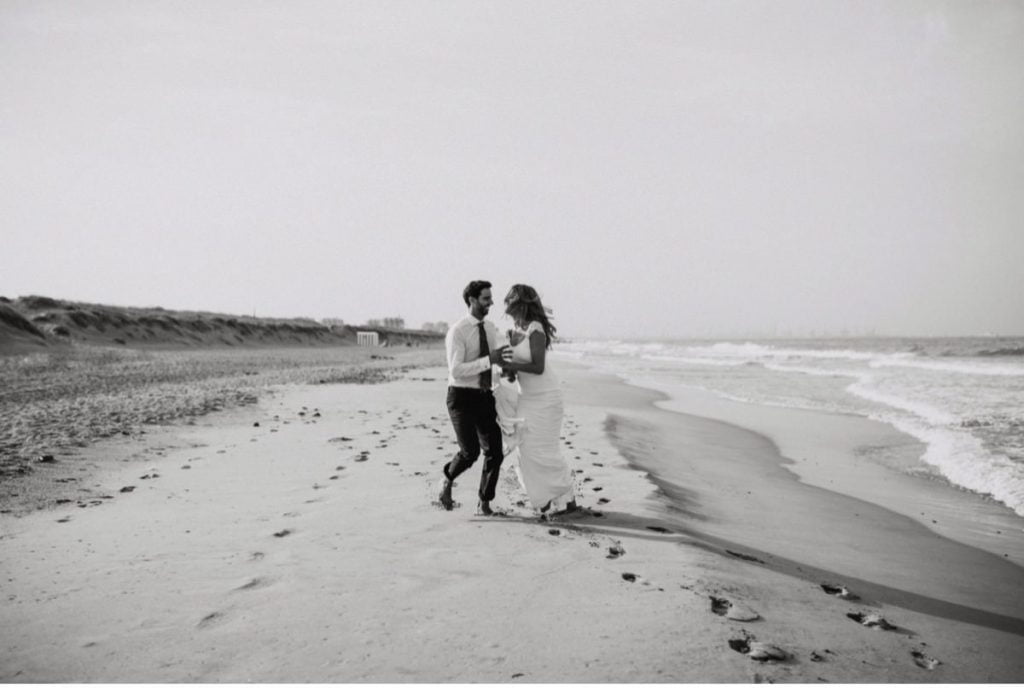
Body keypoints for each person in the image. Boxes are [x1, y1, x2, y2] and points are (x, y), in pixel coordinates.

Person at [498, 284, 578, 515]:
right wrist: (507, 367)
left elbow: (538, 366)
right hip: (528, 397)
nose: (508, 308)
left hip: (547, 397)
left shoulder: (536, 328)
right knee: (527, 449)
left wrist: (508, 363)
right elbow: (514, 375)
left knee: (546, 450)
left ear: (521, 304)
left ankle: (567, 499)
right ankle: (545, 499)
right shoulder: (514, 330)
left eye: (511, 304)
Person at [439, 280, 510, 515]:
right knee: (470, 453)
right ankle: (448, 478)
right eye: (486, 298)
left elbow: (502, 355)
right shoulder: (457, 331)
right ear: (472, 300)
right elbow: (456, 370)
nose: (491, 303)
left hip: (484, 395)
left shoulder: (490, 329)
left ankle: (484, 503)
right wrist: (489, 360)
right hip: (460, 397)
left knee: (495, 453)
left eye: (491, 298)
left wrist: (507, 366)